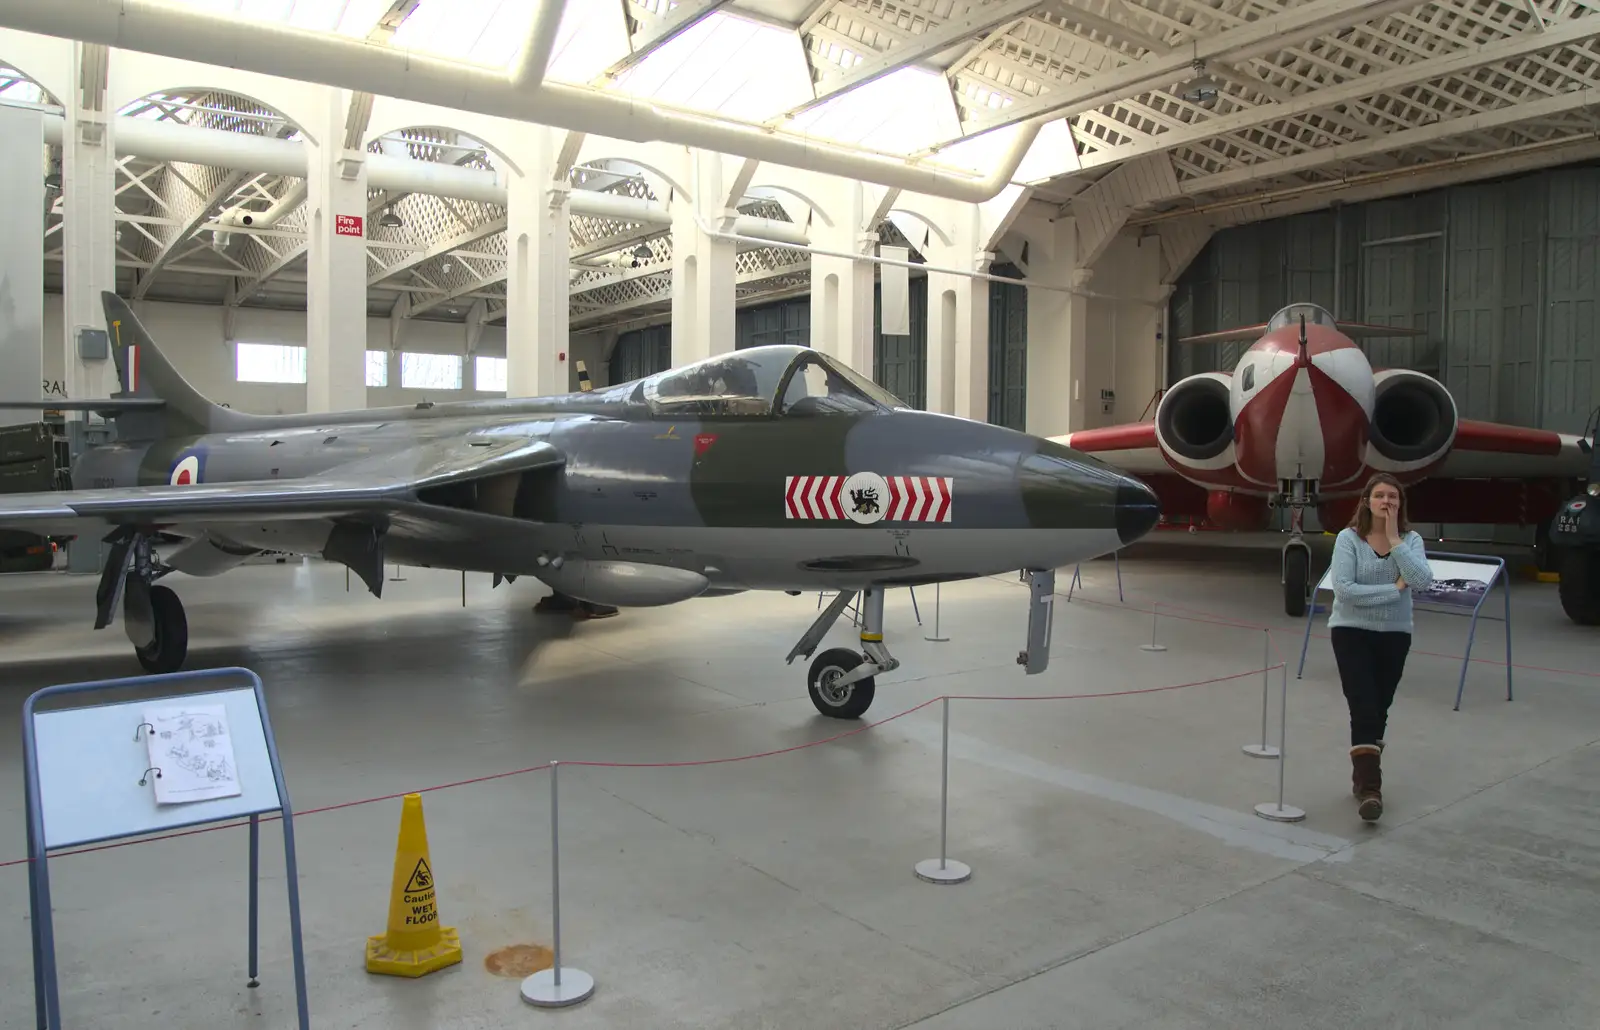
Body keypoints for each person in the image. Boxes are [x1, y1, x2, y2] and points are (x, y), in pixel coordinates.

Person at [1327, 472, 1433, 822]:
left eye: (1393, 497)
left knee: (1380, 707)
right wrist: (1393, 590)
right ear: (1367, 502)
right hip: (1351, 631)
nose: (1387, 501)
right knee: (1363, 703)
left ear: (1400, 504)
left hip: (1395, 633)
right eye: (1380, 496)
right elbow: (1344, 590)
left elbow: (1420, 581)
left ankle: (1362, 775)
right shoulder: (1348, 539)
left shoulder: (1411, 540)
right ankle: (1372, 790)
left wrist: (1393, 539)